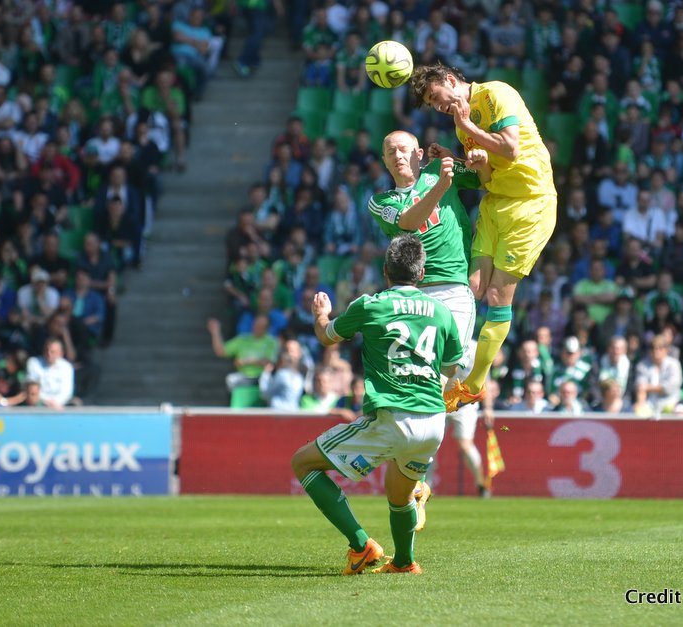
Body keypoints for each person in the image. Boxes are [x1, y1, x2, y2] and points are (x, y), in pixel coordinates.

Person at [291, 234, 463, 576]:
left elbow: (327, 336)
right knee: (398, 497)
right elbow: (451, 368)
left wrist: (321, 314)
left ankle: (361, 546)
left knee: (303, 463)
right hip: (432, 421)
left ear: (385, 271)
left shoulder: (371, 305)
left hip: (392, 417)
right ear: (422, 273)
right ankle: (403, 562)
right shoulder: (442, 312)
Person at [409, 63, 557, 413]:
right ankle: (441, 369)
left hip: (531, 203)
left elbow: (510, 149)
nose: (437, 106)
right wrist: (459, 160)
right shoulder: (463, 130)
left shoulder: (497, 94)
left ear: (449, 80)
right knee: (470, 288)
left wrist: (466, 126)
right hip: (495, 204)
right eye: (432, 105)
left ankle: (474, 383)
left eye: (435, 97)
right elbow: (485, 177)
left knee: (495, 296)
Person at [368, 130, 489, 503]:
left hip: (452, 287)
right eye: (391, 152)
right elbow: (407, 222)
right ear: (385, 161)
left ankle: (412, 470)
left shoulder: (440, 168)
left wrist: (470, 158)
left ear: (419, 153)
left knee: (444, 371)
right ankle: (413, 473)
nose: (399, 156)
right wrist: (440, 186)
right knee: (422, 379)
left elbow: (484, 178)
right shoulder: (381, 201)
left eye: (405, 149)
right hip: (412, 294)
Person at [207, 315, 278, 393]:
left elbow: (270, 362)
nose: (257, 328)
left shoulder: (272, 342)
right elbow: (220, 351)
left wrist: (247, 361)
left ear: (267, 328)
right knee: (230, 380)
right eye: (256, 324)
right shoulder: (242, 339)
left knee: (266, 384)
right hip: (244, 376)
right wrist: (215, 332)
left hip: (262, 376)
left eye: (261, 326)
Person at [25, 337, 74, 409]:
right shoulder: (33, 363)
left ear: (61, 353)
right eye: (47, 351)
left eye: (53, 352)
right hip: (39, 403)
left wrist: (56, 402)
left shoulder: (67, 367)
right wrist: (47, 401)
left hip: (61, 405)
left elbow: (67, 391)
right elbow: (32, 390)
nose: (49, 354)